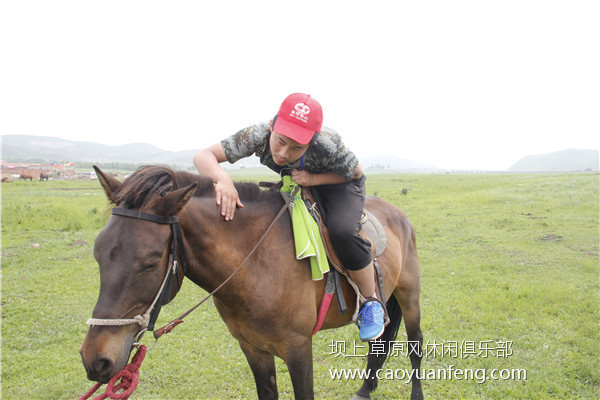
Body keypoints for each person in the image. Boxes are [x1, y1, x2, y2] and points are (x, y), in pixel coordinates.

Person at [193, 93, 385, 341]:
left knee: (341, 230)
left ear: (312, 142)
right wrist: (222, 179)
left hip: (340, 185)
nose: (283, 153)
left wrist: (313, 180)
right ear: (273, 125)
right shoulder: (256, 134)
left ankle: (370, 302)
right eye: (280, 141)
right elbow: (203, 156)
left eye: (296, 148)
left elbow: (355, 173)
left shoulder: (329, 143)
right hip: (297, 182)